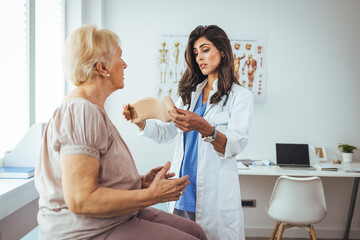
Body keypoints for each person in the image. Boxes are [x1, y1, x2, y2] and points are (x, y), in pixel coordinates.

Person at [35, 24, 207, 240]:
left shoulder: (91, 109)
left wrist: (138, 182)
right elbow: (81, 199)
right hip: (89, 230)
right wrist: (151, 195)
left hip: (116, 217)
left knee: (196, 231)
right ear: (102, 68)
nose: (124, 64)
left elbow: (98, 174)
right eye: (120, 58)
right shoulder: (82, 111)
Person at [123, 25, 254, 239]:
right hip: (183, 190)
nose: (200, 57)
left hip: (214, 194)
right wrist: (140, 122)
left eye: (205, 49)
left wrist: (203, 126)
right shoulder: (189, 95)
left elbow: (234, 144)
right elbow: (166, 133)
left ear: (222, 51)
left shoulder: (240, 96)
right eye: (195, 53)